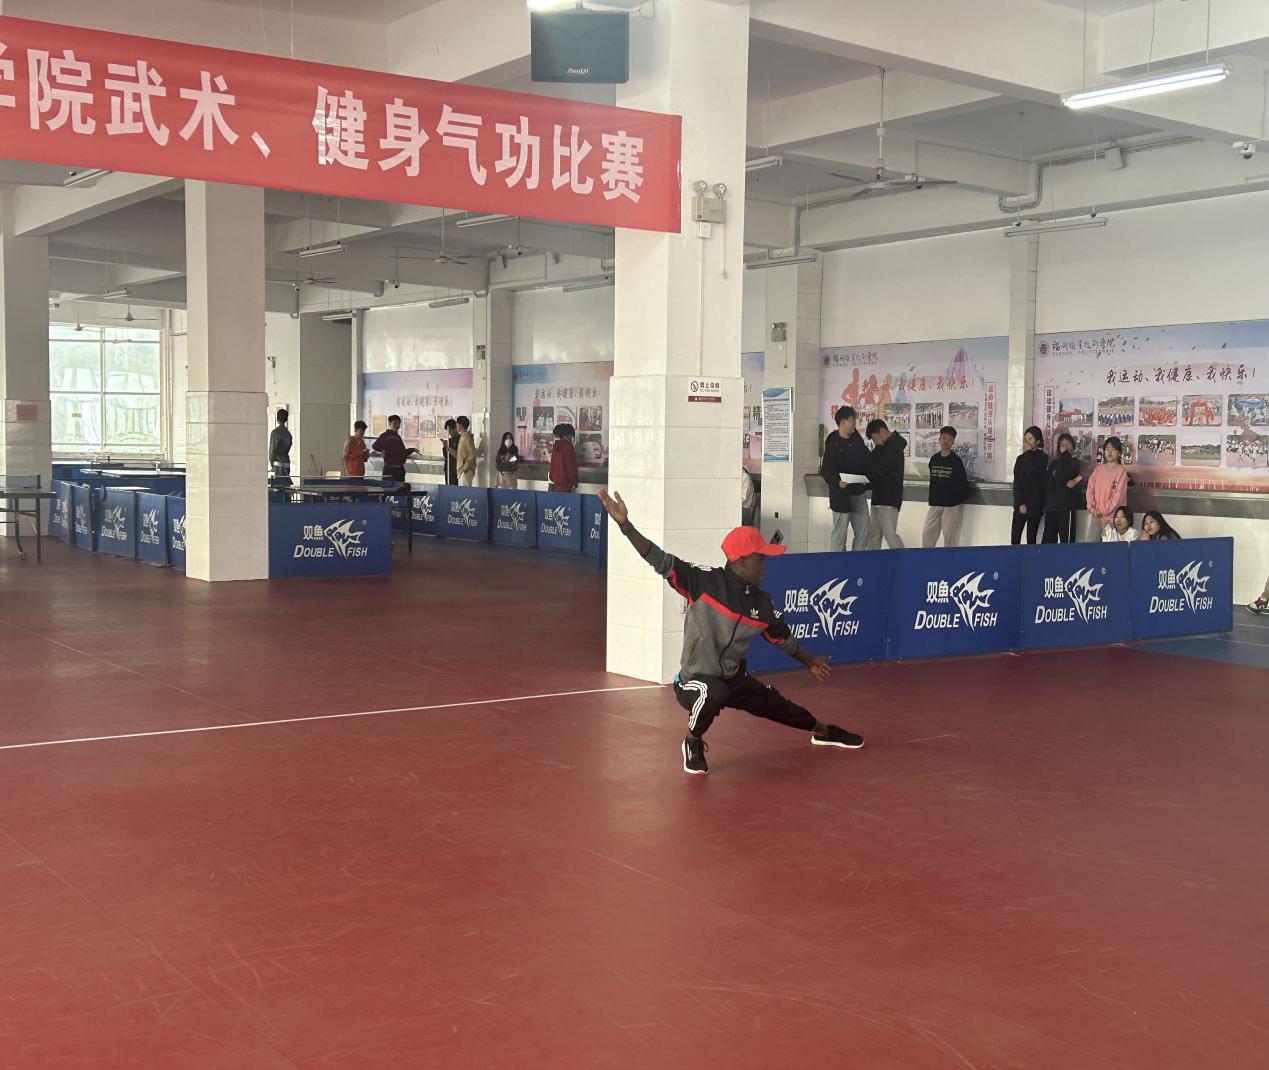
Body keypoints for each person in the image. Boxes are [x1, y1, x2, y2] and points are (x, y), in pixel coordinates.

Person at [597, 489, 864, 775]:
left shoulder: (762, 603)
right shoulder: (703, 583)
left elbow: (782, 639)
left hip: (733, 678)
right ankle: (692, 741)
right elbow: (658, 559)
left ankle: (822, 731)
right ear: (739, 561)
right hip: (694, 681)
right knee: (714, 692)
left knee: (776, 704)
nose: (765, 565)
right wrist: (626, 526)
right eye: (760, 558)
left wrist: (811, 662)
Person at [819, 405, 870, 551]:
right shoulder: (832, 442)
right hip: (840, 495)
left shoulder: (857, 440)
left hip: (858, 492)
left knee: (863, 530)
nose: (854, 424)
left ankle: (856, 561)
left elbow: (867, 461)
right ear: (843, 422)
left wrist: (868, 479)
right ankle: (838, 562)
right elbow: (826, 470)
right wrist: (837, 482)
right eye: (852, 420)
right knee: (839, 534)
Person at [922, 425, 970, 548]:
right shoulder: (934, 459)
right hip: (935, 503)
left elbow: (963, 484)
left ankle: (950, 559)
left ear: (953, 442)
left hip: (951, 506)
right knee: (927, 534)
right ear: (939, 439)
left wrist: (955, 499)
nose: (946, 441)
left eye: (949, 439)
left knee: (950, 537)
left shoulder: (956, 461)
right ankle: (926, 558)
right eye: (944, 438)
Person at [864, 418, 906, 549]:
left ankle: (904, 559)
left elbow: (883, 471)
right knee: (874, 535)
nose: (875, 442)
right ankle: (872, 560)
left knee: (890, 535)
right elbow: (871, 465)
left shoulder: (894, 446)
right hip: (878, 497)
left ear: (882, 431)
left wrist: (866, 479)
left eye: (875, 438)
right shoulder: (882, 447)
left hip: (889, 499)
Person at [1085, 435, 1130, 541]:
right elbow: (1090, 489)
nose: (1109, 452)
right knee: (1090, 546)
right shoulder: (1098, 470)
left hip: (1113, 519)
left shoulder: (1121, 472)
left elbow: (1117, 498)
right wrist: (1092, 508)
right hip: (1096, 515)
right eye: (1107, 449)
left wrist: (1102, 511)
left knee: (1111, 549)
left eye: (1113, 449)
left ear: (1119, 452)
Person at [1042, 433, 1082, 543]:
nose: (1065, 447)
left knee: (1066, 543)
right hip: (1051, 507)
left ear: (1073, 446)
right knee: (1049, 543)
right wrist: (1064, 483)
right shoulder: (1054, 464)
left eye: (1067, 444)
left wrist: (1065, 455)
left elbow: (1063, 475)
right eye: (1062, 445)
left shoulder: (1075, 463)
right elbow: (1048, 482)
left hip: (1066, 507)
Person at [1011, 426, 1047, 545]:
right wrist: (1020, 503)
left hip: (1035, 505)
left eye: (1030, 439)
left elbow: (1035, 474)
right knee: (1015, 539)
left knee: (1031, 539)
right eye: (1025, 439)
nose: (1026, 442)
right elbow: (1017, 482)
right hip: (1020, 504)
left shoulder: (1043, 458)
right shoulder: (1020, 459)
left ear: (1037, 441)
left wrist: (1028, 453)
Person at [371, 414, 420, 483]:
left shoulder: (398, 437)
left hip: (400, 469)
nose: (396, 425)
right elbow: (375, 446)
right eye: (394, 423)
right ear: (390, 424)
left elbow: (402, 452)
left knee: (399, 488)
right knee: (388, 487)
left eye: (398, 423)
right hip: (389, 468)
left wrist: (412, 450)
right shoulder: (385, 435)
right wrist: (383, 450)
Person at [549, 423, 579, 493]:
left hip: (556, 485)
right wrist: (575, 483)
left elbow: (552, 467)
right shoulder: (568, 447)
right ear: (566, 436)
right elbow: (571, 468)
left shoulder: (555, 447)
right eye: (571, 436)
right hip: (567, 485)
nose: (572, 438)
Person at [268, 408, 292, 483]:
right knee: (285, 485)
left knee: (278, 486)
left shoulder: (275, 433)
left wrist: (272, 464)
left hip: (278, 464)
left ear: (277, 419)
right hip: (287, 463)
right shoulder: (288, 434)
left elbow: (272, 451)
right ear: (286, 419)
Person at [455, 415, 478, 487]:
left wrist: (465, 468)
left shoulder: (466, 437)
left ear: (461, 425)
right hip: (462, 470)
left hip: (465, 471)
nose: (456, 426)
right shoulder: (463, 436)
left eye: (457, 424)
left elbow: (472, 454)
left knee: (465, 492)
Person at [441, 419, 459, 485]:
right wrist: (445, 446)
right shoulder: (449, 440)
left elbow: (459, 455)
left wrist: (448, 447)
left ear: (455, 428)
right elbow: (446, 455)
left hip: (456, 471)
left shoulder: (461, 439)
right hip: (448, 470)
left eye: (450, 430)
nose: (449, 432)